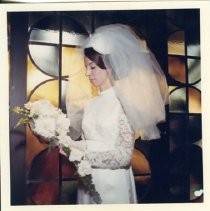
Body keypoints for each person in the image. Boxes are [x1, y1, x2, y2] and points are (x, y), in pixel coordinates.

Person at [65, 24, 169, 204]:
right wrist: (68, 146)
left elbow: (123, 157)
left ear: (109, 66)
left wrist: (82, 156)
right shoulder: (90, 104)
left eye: (92, 67)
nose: (87, 73)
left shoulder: (124, 104)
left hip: (112, 182)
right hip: (88, 179)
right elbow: (88, 141)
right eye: (86, 67)